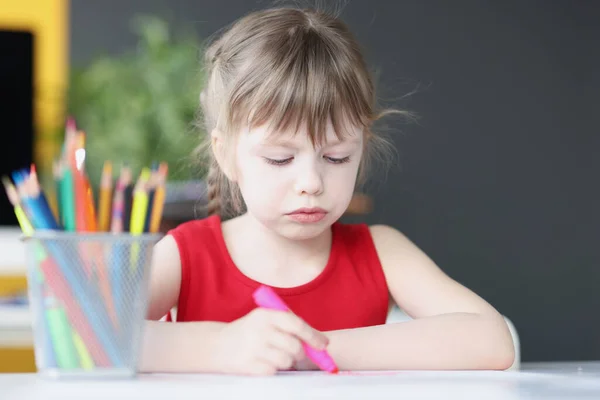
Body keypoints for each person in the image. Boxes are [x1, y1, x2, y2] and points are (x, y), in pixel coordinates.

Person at [140, 6, 515, 375]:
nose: (311, 183)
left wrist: (314, 348)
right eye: (279, 158)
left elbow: (493, 342)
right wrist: (218, 347)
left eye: (336, 157)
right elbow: (88, 336)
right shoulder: (186, 256)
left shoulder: (381, 252)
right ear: (226, 155)